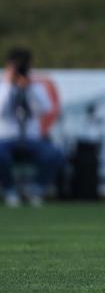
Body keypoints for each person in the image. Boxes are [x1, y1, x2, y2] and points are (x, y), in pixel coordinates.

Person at [0, 48, 66, 207]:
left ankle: (36, 190)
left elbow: (46, 109)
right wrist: (9, 86)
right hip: (6, 139)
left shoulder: (36, 88)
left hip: (32, 138)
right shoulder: (3, 87)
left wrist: (29, 89)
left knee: (55, 154)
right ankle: (9, 190)